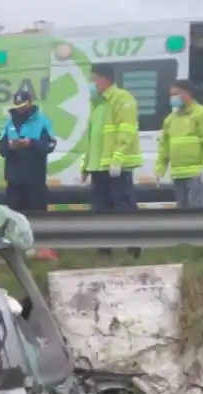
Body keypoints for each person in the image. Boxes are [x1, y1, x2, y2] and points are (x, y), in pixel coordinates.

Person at [81, 62, 143, 257]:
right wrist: (86, 165)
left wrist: (118, 159)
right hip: (98, 167)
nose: (92, 83)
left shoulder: (122, 99)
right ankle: (104, 249)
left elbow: (126, 131)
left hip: (117, 167)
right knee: (100, 209)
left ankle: (133, 248)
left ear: (104, 78)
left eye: (94, 79)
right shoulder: (97, 103)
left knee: (124, 206)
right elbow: (93, 137)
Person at [0, 88, 58, 260]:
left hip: (35, 178)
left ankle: (41, 251)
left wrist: (31, 144)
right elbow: (0, 146)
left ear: (30, 103)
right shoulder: (9, 122)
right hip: (14, 179)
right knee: (13, 217)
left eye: (23, 105)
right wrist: (10, 146)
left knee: (37, 215)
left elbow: (50, 145)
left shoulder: (42, 121)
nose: (20, 109)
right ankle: (16, 251)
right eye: (18, 106)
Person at [155, 79, 203, 208]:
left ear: (187, 93)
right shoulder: (170, 119)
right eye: (171, 95)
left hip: (197, 174)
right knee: (182, 216)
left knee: (197, 214)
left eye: (176, 94)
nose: (173, 98)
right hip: (178, 175)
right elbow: (164, 146)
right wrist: (160, 169)